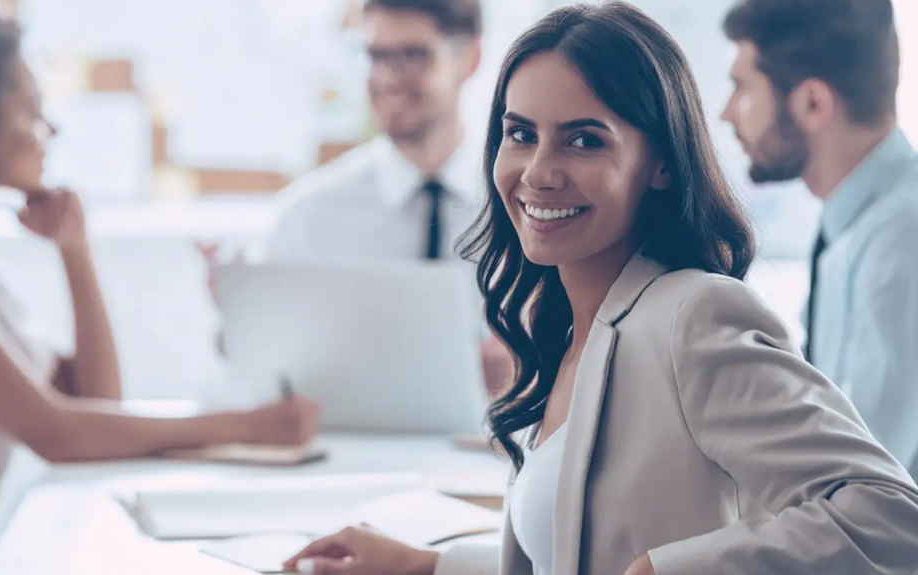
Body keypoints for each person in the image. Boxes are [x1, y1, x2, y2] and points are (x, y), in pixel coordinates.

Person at [281, 3, 918, 575]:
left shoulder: (693, 316)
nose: (538, 172)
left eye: (585, 140)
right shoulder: (570, 329)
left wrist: (663, 573)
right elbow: (576, 551)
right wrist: (432, 567)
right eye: (521, 133)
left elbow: (892, 518)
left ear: (662, 163)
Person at [0, 10, 318, 574]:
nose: (48, 126)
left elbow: (94, 402)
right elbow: (58, 434)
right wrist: (248, 426)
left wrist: (76, 252)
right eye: (29, 104)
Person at [203, 0, 514, 395]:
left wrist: (531, 367)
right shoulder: (307, 216)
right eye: (375, 55)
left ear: (470, 58)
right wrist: (243, 320)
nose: (387, 77)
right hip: (347, 451)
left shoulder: (523, 205)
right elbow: (258, 379)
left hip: (491, 450)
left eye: (413, 55)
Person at [720, 0, 918, 477]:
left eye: (742, 88)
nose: (727, 114)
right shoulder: (861, 224)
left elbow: (868, 480)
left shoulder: (902, 239)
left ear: (812, 102)